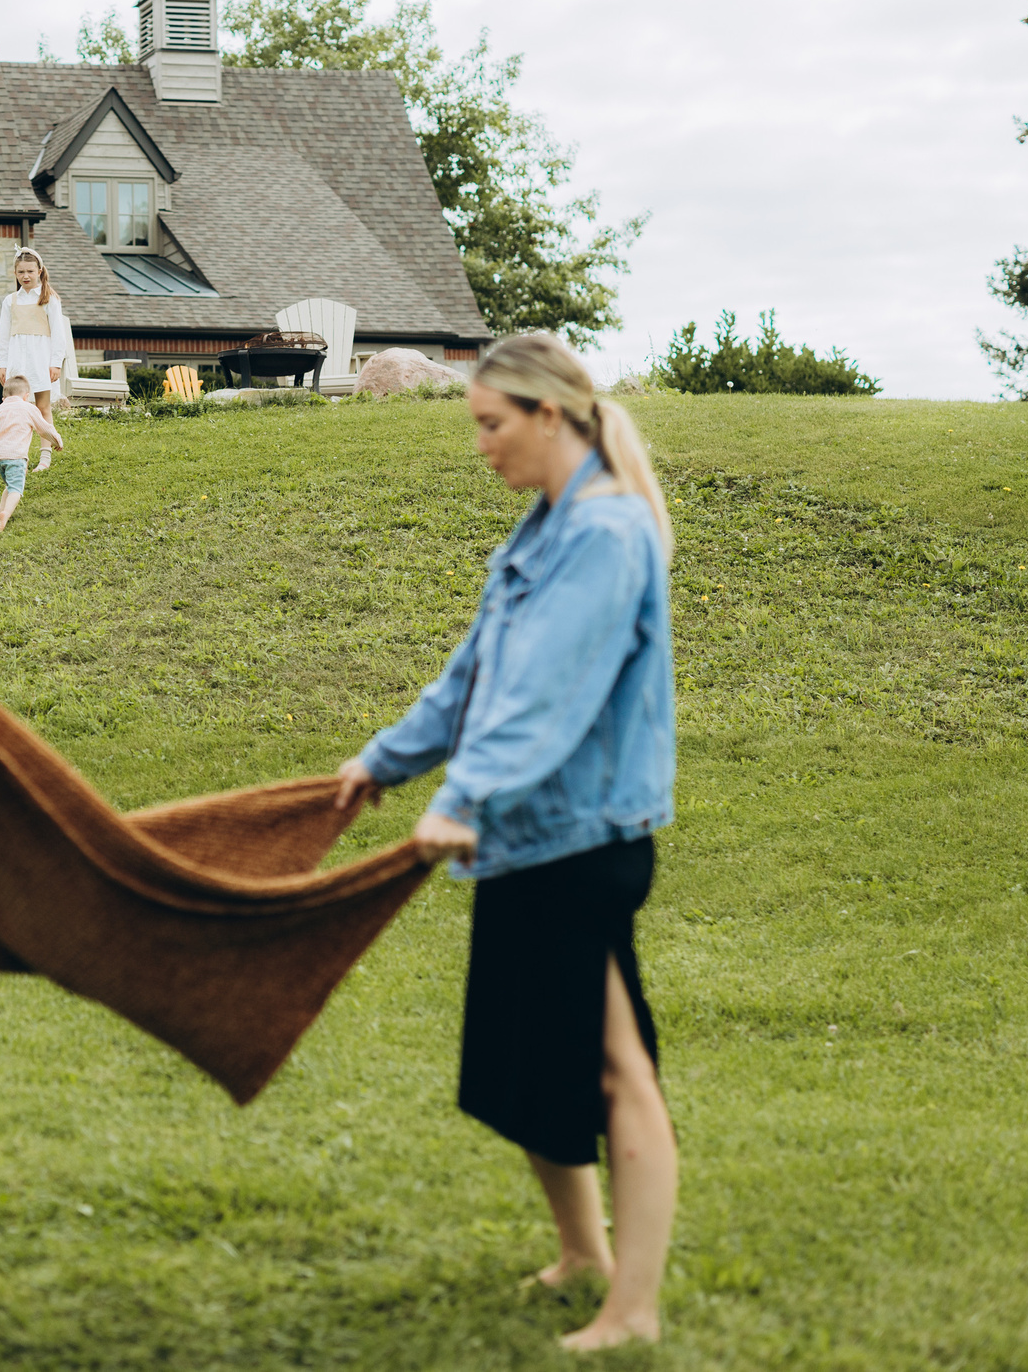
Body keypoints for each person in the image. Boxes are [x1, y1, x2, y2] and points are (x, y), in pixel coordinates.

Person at [331, 332, 679, 1354]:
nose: (480, 446)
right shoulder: (538, 533)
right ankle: (583, 1255)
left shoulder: (607, 537)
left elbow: (546, 700)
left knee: (616, 1070)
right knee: (527, 1061)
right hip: (522, 839)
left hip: (579, 838)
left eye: (490, 425)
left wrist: (465, 797)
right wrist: (382, 763)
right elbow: (474, 676)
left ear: (548, 416)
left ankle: (635, 1307)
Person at [0, 248, 72, 472]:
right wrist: (3, 363)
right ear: (15, 274)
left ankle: (45, 458)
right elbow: (4, 334)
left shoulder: (49, 300)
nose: (25, 276)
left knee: (43, 407)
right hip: (19, 361)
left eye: (29, 271)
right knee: (19, 410)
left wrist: (56, 362)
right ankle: (20, 456)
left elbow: (58, 334)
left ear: (39, 271)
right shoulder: (10, 301)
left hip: (41, 360)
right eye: (21, 272)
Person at [0, 374, 65, 532]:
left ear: (4, 397)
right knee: (17, 489)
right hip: (16, 457)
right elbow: (44, 428)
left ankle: (0, 512)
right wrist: (57, 441)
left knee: (10, 485)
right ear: (26, 396)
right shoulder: (29, 408)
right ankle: (5, 515)